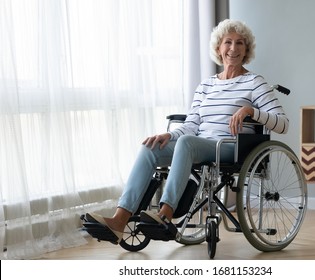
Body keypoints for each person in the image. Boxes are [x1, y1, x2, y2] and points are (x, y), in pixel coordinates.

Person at [84, 19, 289, 244]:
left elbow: (282, 124)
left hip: (231, 147)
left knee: (187, 143)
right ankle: (118, 221)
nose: (233, 48)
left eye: (240, 43)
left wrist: (251, 111)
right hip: (197, 145)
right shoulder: (206, 85)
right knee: (150, 147)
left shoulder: (254, 82)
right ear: (219, 48)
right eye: (227, 42)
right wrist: (169, 136)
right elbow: (191, 124)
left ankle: (165, 215)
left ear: (246, 49)